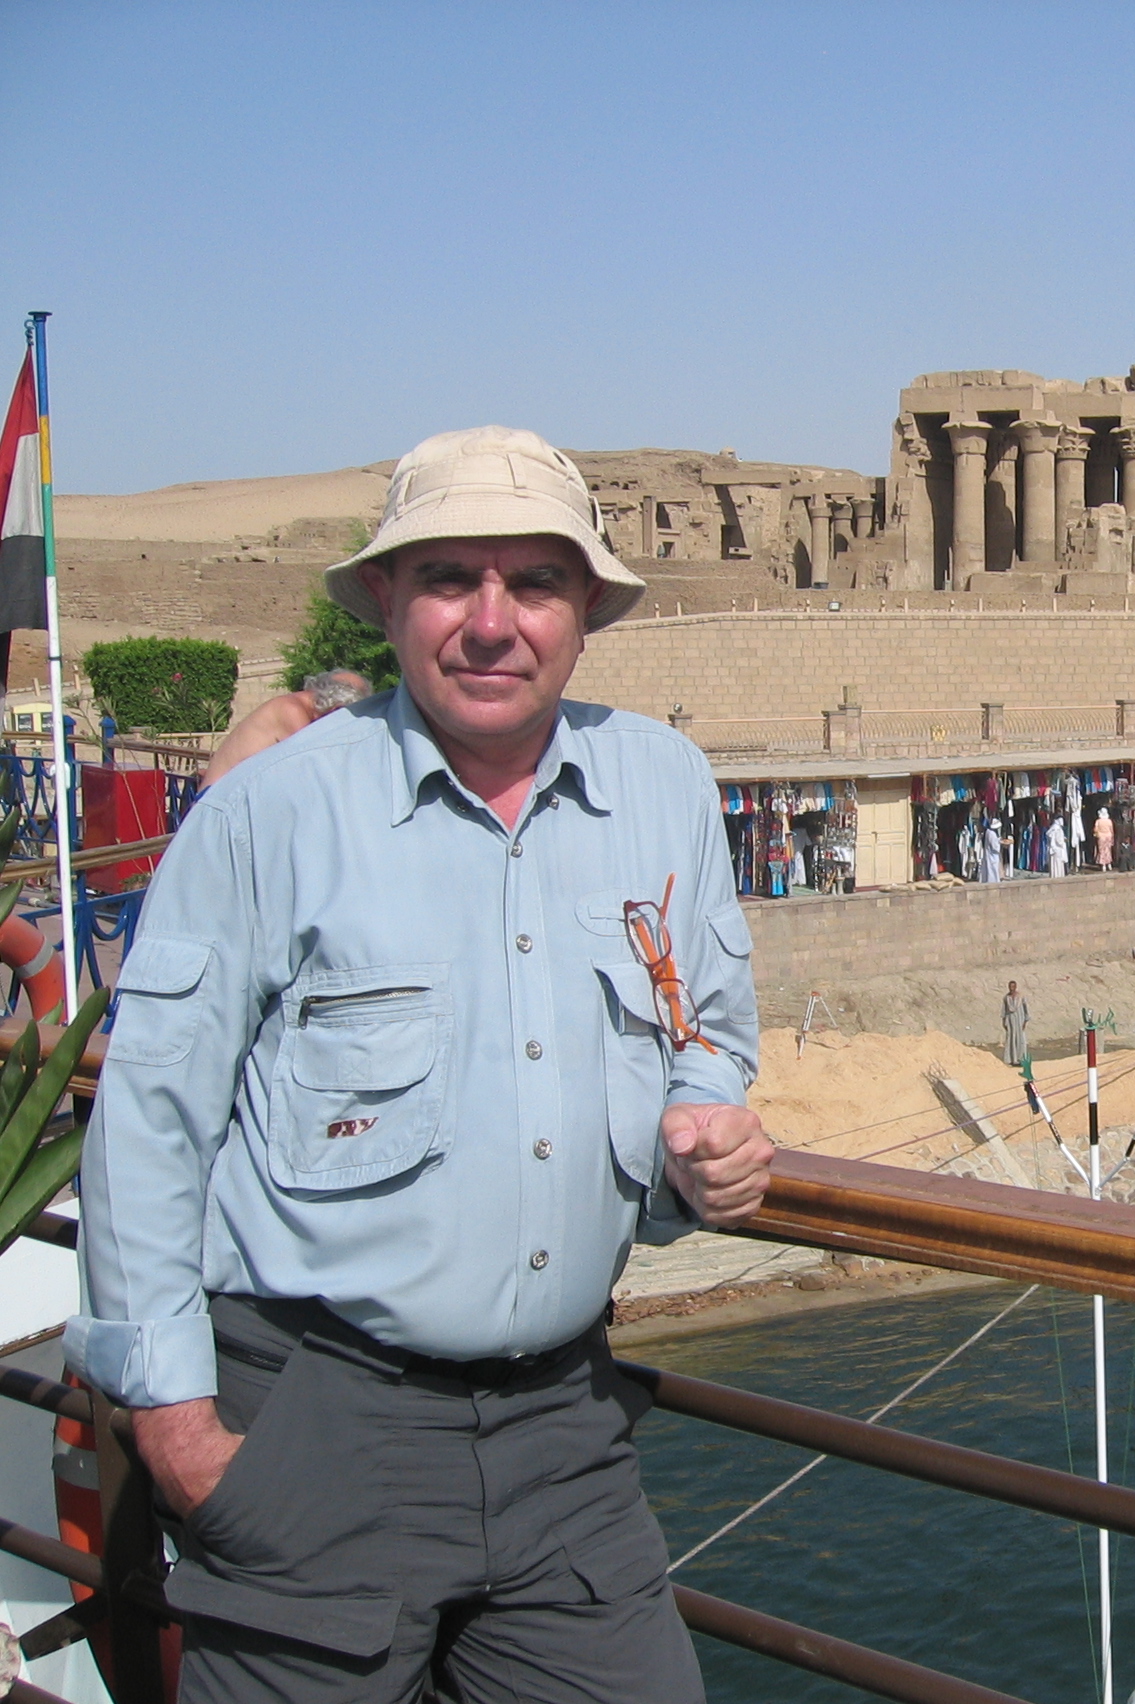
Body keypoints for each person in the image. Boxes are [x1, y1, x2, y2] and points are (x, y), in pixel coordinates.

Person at [67, 426, 768, 1703]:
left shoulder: (663, 787)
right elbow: (149, 1124)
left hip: (569, 1432)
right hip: (320, 1419)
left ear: (586, 613)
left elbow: (707, 1022)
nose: (491, 623)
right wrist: (177, 1432)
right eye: (451, 577)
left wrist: (705, 1122)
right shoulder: (270, 814)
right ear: (387, 599)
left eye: (535, 584)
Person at [201, 669, 373, 787]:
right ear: (337, 708)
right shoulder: (292, 711)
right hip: (219, 807)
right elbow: (312, 769)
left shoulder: (298, 707)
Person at [1002, 978, 1030, 1065]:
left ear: (1015, 987)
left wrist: (1025, 1021)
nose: (1011, 988)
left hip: (1020, 1019)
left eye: (1013, 986)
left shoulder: (1021, 997)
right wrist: (1004, 1021)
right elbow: (1004, 1010)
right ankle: (1012, 1059)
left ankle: (1021, 1059)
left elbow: (1026, 1008)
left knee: (1020, 1039)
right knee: (1011, 1039)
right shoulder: (1006, 998)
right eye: (1010, 987)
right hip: (1010, 1020)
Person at [981, 812, 1004, 882]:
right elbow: (995, 847)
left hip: (989, 855)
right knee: (992, 871)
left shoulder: (988, 832)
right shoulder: (992, 834)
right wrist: (1000, 843)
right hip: (992, 856)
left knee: (989, 870)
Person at [1045, 810, 1068, 877]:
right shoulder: (1058, 829)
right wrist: (1063, 840)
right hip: (1058, 849)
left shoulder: (1052, 828)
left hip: (1053, 849)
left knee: (1053, 864)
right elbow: (1059, 841)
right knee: (1058, 865)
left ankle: (1054, 875)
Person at [1093, 802, 1115, 871]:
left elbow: (1095, 829)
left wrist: (1096, 834)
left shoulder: (1098, 821)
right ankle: (1109, 864)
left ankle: (1103, 865)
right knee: (1108, 850)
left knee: (1101, 850)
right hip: (1108, 836)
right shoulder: (1109, 821)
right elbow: (1111, 830)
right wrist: (1112, 838)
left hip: (1101, 837)